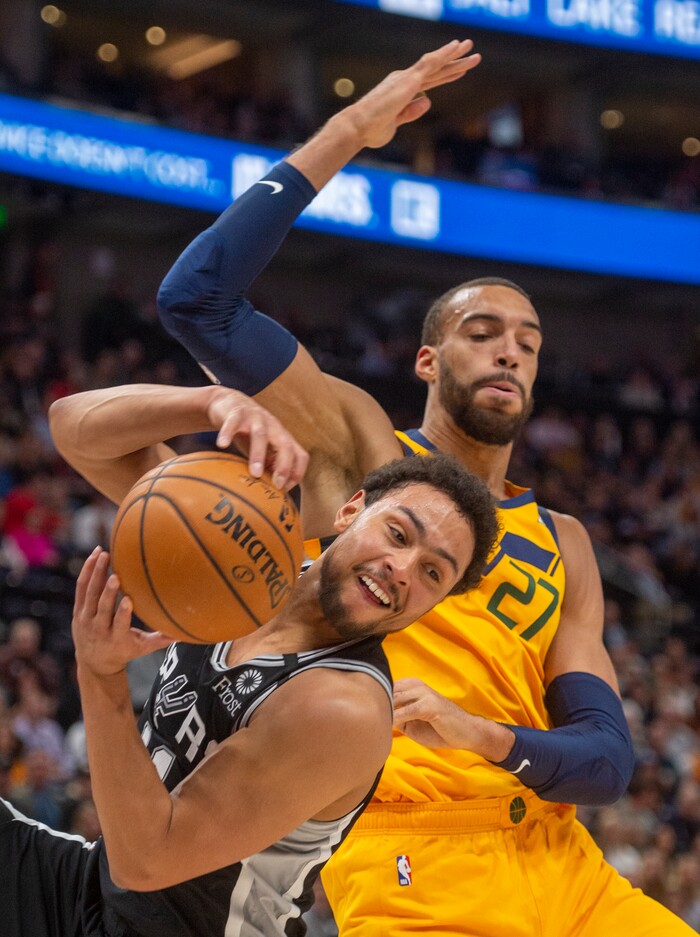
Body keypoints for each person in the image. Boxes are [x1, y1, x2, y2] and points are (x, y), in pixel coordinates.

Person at [156, 39, 695, 936]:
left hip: (562, 860)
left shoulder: (566, 542)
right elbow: (197, 299)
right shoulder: (360, 449)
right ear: (428, 359)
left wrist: (485, 735)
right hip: (415, 851)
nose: (510, 349)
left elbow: (604, 761)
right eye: (482, 331)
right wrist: (350, 131)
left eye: (527, 339)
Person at [0, 378, 498, 937]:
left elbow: (147, 860)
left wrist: (100, 673)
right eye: (398, 533)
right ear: (350, 510)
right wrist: (205, 404)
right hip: (97, 887)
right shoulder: (241, 554)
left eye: (433, 572)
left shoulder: (343, 707)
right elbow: (74, 428)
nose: (402, 568)